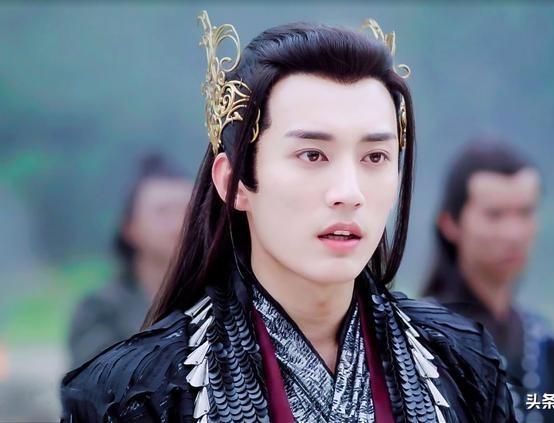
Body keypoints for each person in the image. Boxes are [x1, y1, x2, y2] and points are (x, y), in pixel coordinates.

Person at [61, 13, 515, 422]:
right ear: (235, 182)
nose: (349, 193)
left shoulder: (463, 362)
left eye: (375, 157)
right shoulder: (131, 395)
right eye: (312, 155)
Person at [423, 140, 554, 422]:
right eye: (494, 215)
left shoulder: (544, 340)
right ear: (450, 223)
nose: (514, 234)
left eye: (525, 212)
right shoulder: (420, 340)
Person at [67, 154, 192, 367]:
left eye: (188, 209)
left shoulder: (222, 301)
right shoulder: (100, 311)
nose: (179, 223)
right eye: (163, 212)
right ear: (129, 228)